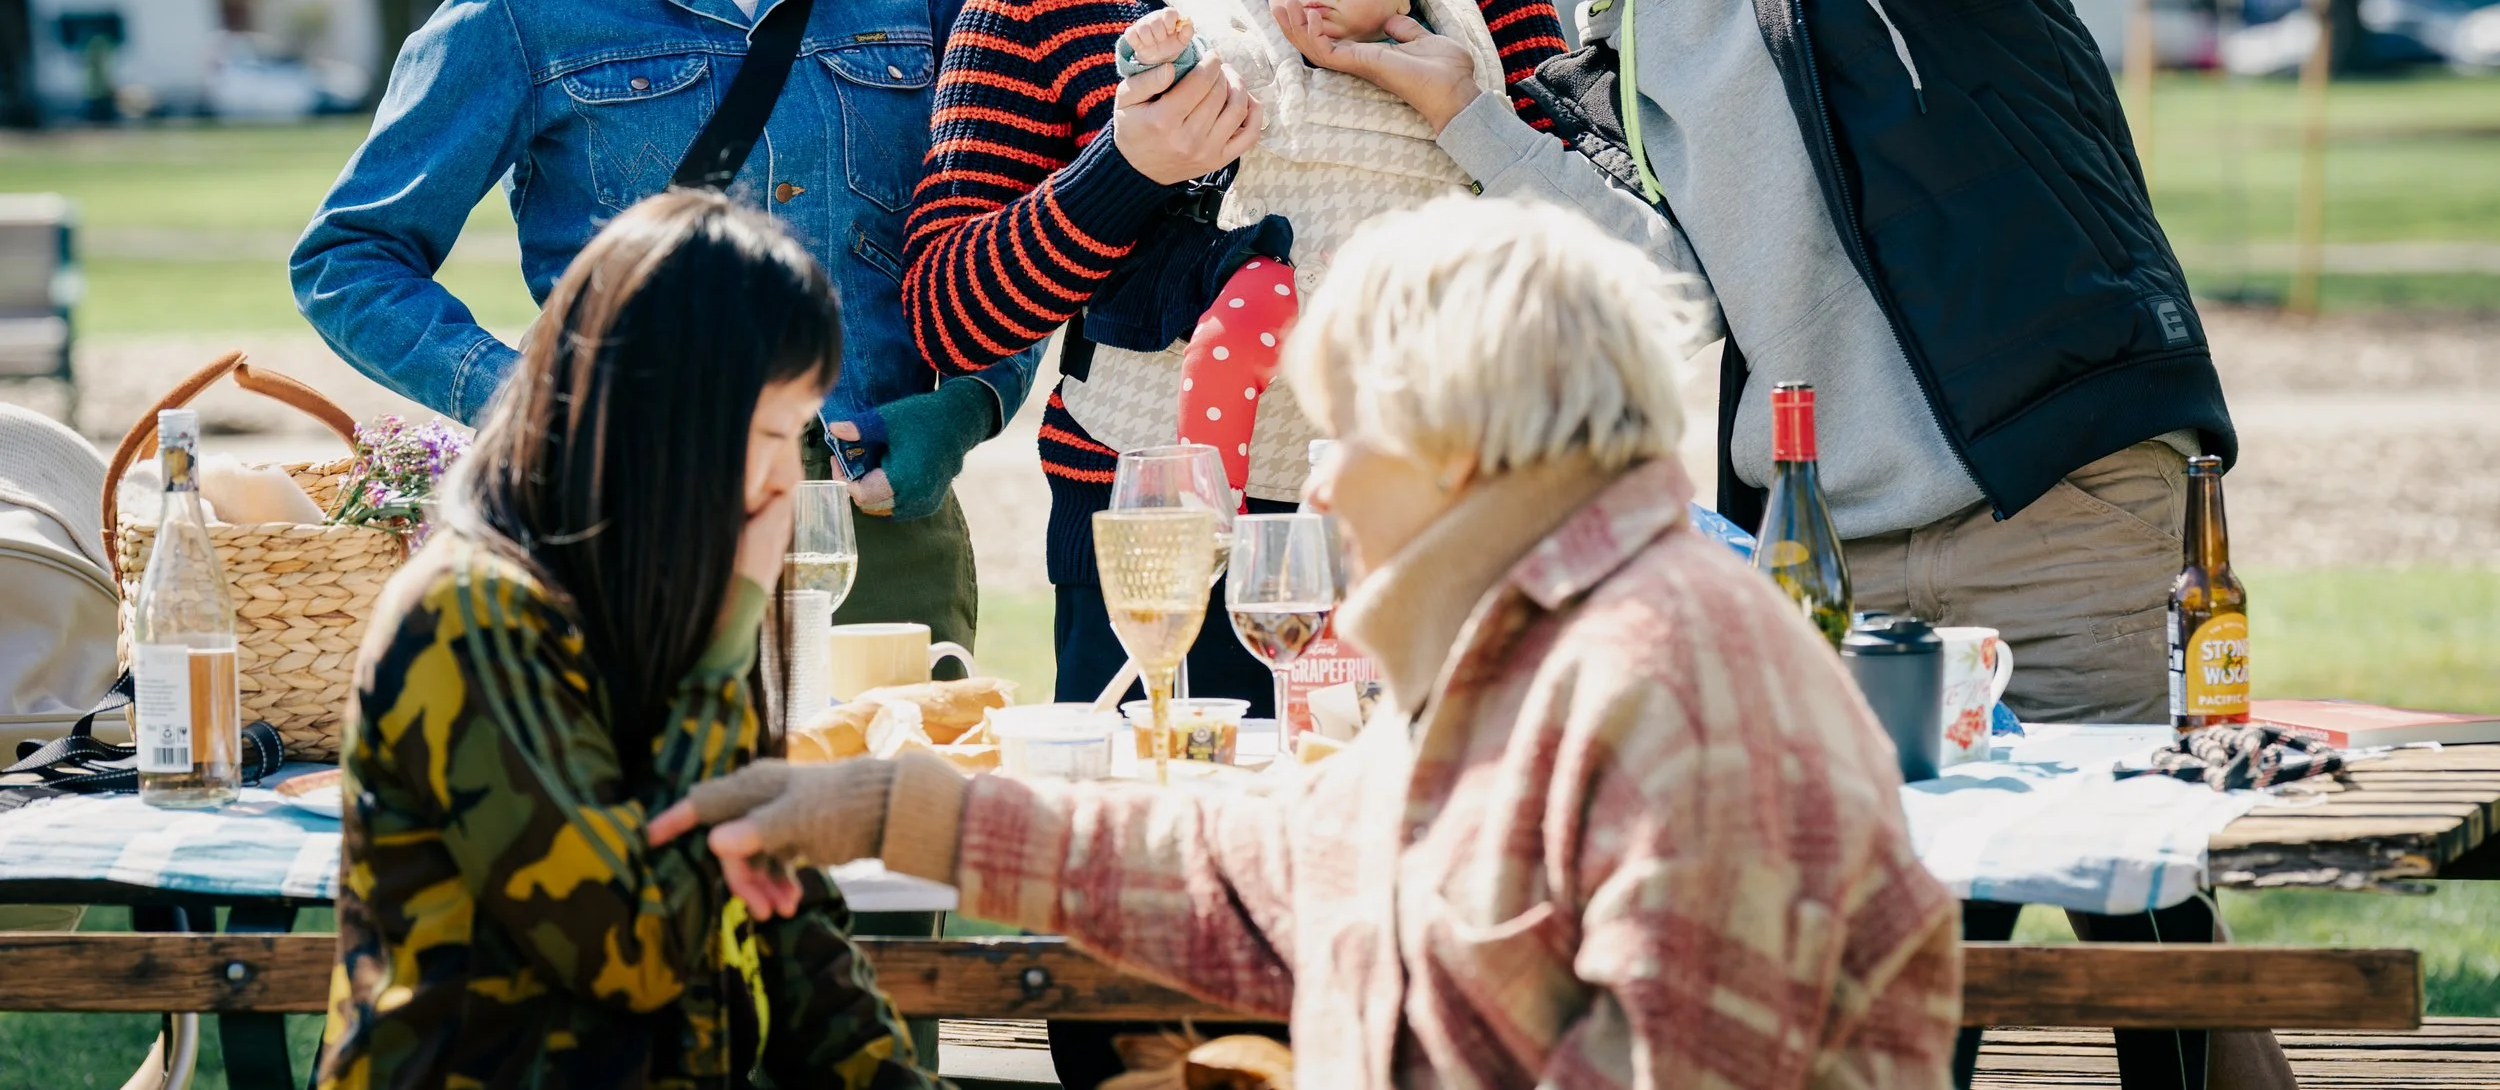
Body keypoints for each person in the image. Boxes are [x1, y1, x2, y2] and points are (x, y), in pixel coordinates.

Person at [1295, 0, 2282, 1090]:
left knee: (2143, 915)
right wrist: (1453, 104)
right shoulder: (1613, 49)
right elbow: (1669, 277)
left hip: (2048, 490)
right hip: (1853, 558)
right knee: (1901, 952)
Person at [655, 196, 1961, 1090]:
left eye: (1339, 430)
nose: (1317, 484)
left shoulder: (1674, 685)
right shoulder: (1523, 646)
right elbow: (1260, 866)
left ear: (1454, 437)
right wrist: (887, 804)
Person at [290, 0, 1034, 656]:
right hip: (637, 539)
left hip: (882, 543)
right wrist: (544, 411)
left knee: (885, 820)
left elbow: (1011, 241)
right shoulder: (522, 1)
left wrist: (965, 408)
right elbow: (347, 257)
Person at [897, 0, 1567, 718]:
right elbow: (950, 311)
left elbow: (1592, 237)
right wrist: (1122, 174)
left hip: (1449, 529)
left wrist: (1475, 120)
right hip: (1158, 562)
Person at [317, 190, 934, 1090]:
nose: (782, 482)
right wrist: (725, 639)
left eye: (795, 436)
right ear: (660, 417)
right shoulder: (469, 616)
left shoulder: (670, 596)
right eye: (766, 435)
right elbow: (635, 949)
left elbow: (796, 937)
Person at [1100, 0, 1445, 500]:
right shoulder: (1248, 50)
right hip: (1277, 263)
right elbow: (1178, 78)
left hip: (1390, 276)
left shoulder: (1431, 57)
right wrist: (1151, 49)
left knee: (1390, 399)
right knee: (1225, 339)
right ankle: (1207, 491)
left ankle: (1365, 522)